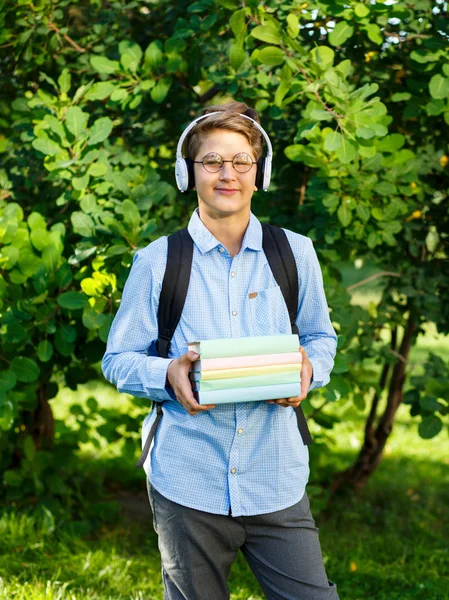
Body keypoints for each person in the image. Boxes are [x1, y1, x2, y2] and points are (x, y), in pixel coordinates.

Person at [102, 101, 339, 600]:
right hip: (187, 476)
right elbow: (118, 359)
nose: (227, 174)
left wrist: (308, 370)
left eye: (241, 161)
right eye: (212, 161)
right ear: (189, 173)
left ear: (260, 172)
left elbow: (320, 337)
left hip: (275, 473)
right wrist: (168, 373)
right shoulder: (156, 261)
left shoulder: (295, 253)